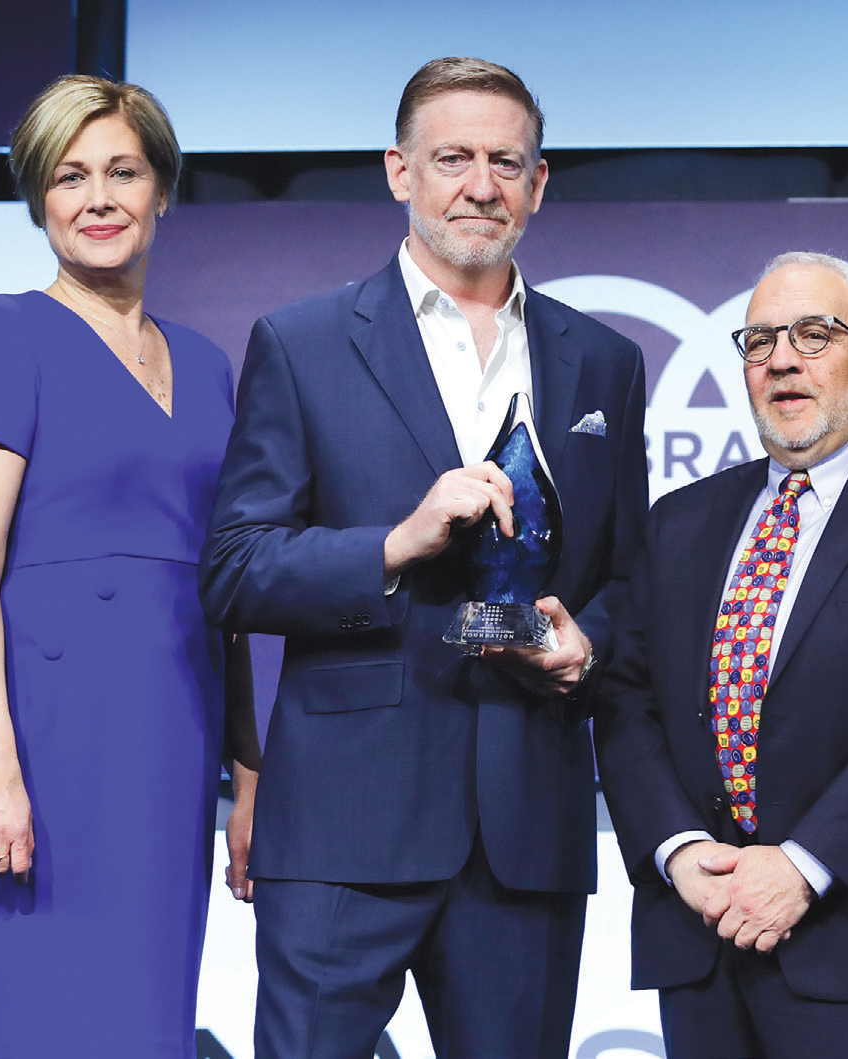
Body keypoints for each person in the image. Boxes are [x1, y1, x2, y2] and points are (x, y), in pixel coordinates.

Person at [200, 57, 649, 1058]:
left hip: (526, 820)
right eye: (453, 158)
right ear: (400, 172)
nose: (479, 185)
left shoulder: (606, 362)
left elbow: (629, 574)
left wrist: (583, 644)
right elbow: (234, 569)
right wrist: (396, 544)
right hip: (343, 823)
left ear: (539, 184)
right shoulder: (303, 342)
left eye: (505, 161)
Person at [0, 74, 259, 1058]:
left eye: (123, 171)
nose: (99, 198)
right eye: (70, 177)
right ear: (39, 199)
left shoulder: (205, 364)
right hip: (53, 737)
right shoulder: (0, 332)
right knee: (50, 1017)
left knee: (148, 1018)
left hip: (174, 731)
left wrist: (250, 773)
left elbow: (230, 582)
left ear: (163, 189)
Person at [595, 252, 848, 1059]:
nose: (781, 357)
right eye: (760, 340)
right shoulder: (678, 522)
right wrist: (678, 851)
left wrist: (805, 863)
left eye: (814, 335)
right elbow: (625, 698)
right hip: (699, 934)